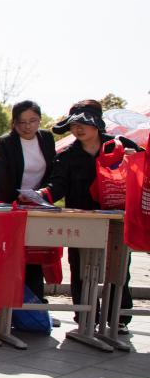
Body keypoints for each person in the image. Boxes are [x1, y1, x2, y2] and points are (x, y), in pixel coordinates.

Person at [33, 100, 141, 333]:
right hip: (82, 220)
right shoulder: (67, 155)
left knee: (119, 268)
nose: (78, 128)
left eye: (84, 123)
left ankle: (119, 318)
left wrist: (134, 161)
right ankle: (85, 316)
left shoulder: (121, 145)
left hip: (116, 220)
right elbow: (57, 186)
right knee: (80, 268)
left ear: (97, 124)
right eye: (74, 124)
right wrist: (39, 195)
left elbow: (144, 171)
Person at [0, 100, 57, 300]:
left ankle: (35, 304)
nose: (28, 126)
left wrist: (42, 193)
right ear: (14, 123)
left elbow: (54, 172)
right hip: (11, 204)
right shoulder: (5, 143)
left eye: (33, 121)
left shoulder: (47, 139)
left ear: (40, 121)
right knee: (11, 254)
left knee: (34, 255)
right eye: (22, 122)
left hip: (38, 204)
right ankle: (5, 302)